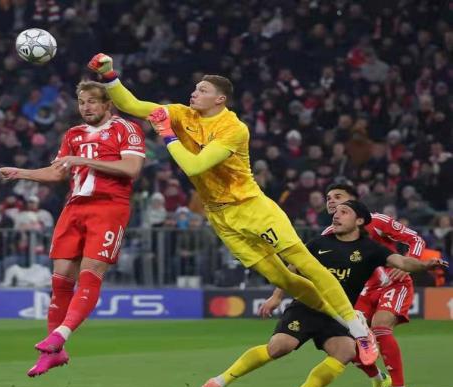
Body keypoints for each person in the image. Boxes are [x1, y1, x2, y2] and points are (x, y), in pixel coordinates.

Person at [87, 53, 378, 364]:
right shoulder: (183, 114)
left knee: (305, 263)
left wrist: (167, 135)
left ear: (220, 99)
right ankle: (343, 318)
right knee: (282, 280)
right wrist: (110, 75)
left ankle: (357, 329)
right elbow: (132, 105)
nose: (194, 93)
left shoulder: (233, 128)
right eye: (195, 88)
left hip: (251, 206)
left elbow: (195, 166)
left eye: (202, 90)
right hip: (220, 215)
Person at [194, 201, 447, 387]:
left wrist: (424, 265)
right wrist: (276, 297)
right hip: (308, 306)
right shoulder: (319, 243)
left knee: (345, 351)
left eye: (344, 212)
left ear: (360, 221)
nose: (336, 215)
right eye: (335, 212)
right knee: (280, 347)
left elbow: (402, 262)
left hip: (339, 314)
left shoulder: (371, 249)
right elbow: (292, 268)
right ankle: (217, 382)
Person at [0, 81, 145, 377]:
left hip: (108, 206)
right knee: (61, 279)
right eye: (81, 102)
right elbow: (57, 172)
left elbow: (131, 169)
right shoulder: (73, 134)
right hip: (74, 207)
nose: (86, 107)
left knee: (90, 274)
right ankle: (54, 354)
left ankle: (60, 335)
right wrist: (22, 173)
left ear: (107, 104)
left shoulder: (126, 129)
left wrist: (81, 159)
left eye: (92, 101)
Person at [322, 183, 426, 387]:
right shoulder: (327, 236)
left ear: (354, 200)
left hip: (393, 283)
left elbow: (415, 239)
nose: (331, 201)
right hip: (362, 292)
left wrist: (409, 263)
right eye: (328, 198)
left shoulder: (377, 221)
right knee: (346, 342)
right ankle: (379, 378)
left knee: (380, 327)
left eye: (338, 197)